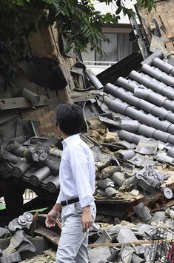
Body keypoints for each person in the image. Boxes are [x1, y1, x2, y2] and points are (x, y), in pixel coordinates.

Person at [45, 104, 97, 262]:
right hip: (75, 208)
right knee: (80, 258)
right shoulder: (75, 147)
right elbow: (70, 185)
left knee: (63, 259)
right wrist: (56, 209)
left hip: (78, 211)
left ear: (58, 126)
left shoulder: (74, 149)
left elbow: (82, 181)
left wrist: (86, 210)